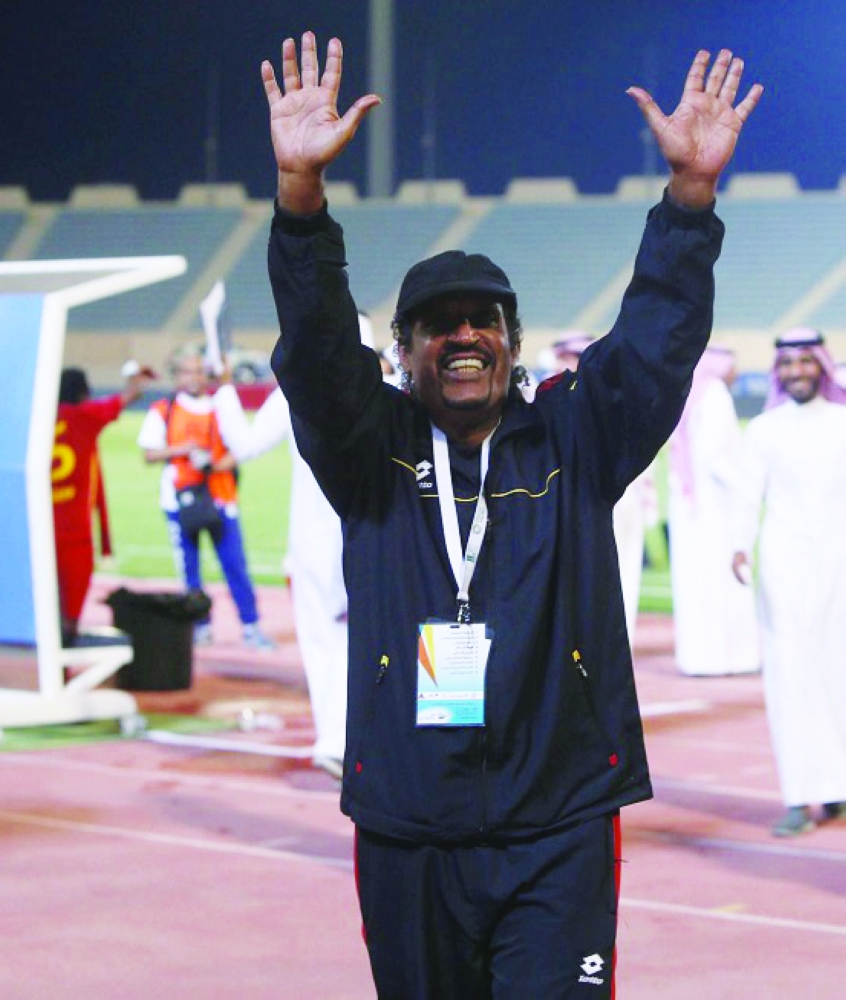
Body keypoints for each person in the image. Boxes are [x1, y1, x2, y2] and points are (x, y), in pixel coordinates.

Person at [262, 31, 761, 997]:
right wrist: (299, 197)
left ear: (510, 342)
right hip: (409, 824)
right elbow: (316, 349)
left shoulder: (575, 439)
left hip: (557, 822)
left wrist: (689, 201)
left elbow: (654, 343)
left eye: (482, 319)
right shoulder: (369, 453)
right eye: (436, 324)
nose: (462, 336)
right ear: (402, 352)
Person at [213, 318, 374, 779]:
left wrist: (224, 389)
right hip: (370, 535)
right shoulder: (385, 392)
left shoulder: (295, 391)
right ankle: (373, 741)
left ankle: (335, 741)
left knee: (324, 642)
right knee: (377, 642)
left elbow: (244, 445)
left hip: (313, 540)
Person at [732, 329, 846, 837]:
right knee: (791, 679)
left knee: (838, 675)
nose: (796, 371)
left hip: (839, 565)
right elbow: (746, 496)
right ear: (777, 372)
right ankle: (799, 797)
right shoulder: (764, 429)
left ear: (821, 366)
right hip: (784, 568)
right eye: (787, 364)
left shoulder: (842, 423)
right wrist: (738, 544)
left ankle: (837, 788)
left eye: (805, 361)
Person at [136, 348, 274, 650]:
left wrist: (216, 464)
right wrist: (182, 449)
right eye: (186, 371)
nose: (193, 378)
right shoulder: (164, 409)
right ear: (176, 376)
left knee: (235, 565)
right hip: (180, 501)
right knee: (189, 570)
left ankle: (251, 626)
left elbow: (241, 448)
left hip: (221, 497)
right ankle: (200, 627)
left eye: (199, 371)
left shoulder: (221, 407)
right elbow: (149, 452)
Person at [549, 332, 657, 649]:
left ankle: (614, 642)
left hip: (612, 497)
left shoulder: (597, 394)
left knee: (619, 570)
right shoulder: (557, 395)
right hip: (577, 498)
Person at [668, 345, 761, 675]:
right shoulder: (715, 394)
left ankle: (701, 657)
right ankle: (729, 656)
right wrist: (747, 485)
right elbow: (714, 458)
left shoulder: (691, 395)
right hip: (715, 506)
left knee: (698, 582)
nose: (736, 371)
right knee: (720, 579)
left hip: (690, 505)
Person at [52, 363, 153, 642]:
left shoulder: (38, 420)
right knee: (71, 612)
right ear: (83, 393)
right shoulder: (87, 415)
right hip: (75, 531)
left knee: (45, 603)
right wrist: (135, 378)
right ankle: (65, 649)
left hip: (40, 527)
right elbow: (128, 397)